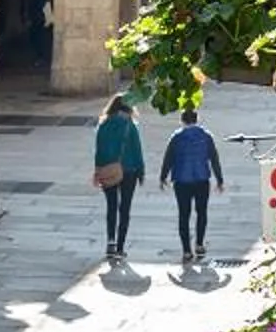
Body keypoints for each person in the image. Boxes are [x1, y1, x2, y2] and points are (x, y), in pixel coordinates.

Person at [158, 105, 226, 263]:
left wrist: (163, 177)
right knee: (201, 212)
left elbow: (168, 158)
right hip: (202, 179)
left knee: (184, 214)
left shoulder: (176, 137)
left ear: (182, 120)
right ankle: (200, 244)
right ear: (197, 119)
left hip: (181, 180)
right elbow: (214, 159)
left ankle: (187, 250)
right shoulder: (206, 136)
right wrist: (219, 179)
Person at [94, 97, 146, 261]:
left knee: (111, 206)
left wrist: (97, 170)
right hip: (129, 170)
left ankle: (110, 241)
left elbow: (99, 150)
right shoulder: (130, 125)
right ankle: (120, 247)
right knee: (125, 208)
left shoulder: (103, 125)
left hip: (108, 169)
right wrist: (141, 171)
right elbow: (137, 149)